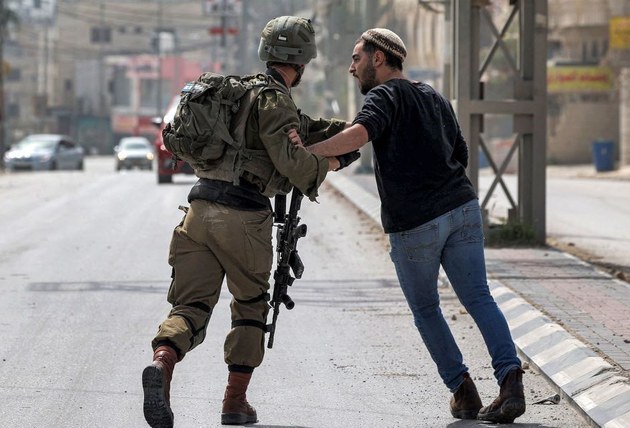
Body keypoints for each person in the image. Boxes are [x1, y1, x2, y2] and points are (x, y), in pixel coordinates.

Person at [142, 16, 358, 428]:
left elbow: (308, 129)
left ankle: (162, 362)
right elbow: (294, 163)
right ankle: (234, 402)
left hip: (199, 211)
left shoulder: (237, 94)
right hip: (243, 217)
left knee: (189, 306)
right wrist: (332, 161)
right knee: (249, 309)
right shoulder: (275, 102)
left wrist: (357, 131)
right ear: (303, 60)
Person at [301, 28, 526, 424]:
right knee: (479, 298)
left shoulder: (384, 95)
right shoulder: (434, 96)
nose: (352, 68)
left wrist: (307, 153)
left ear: (379, 59)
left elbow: (359, 134)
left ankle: (463, 391)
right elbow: (461, 151)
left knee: (426, 310)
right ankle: (510, 385)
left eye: (357, 58)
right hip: (462, 209)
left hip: (415, 224)